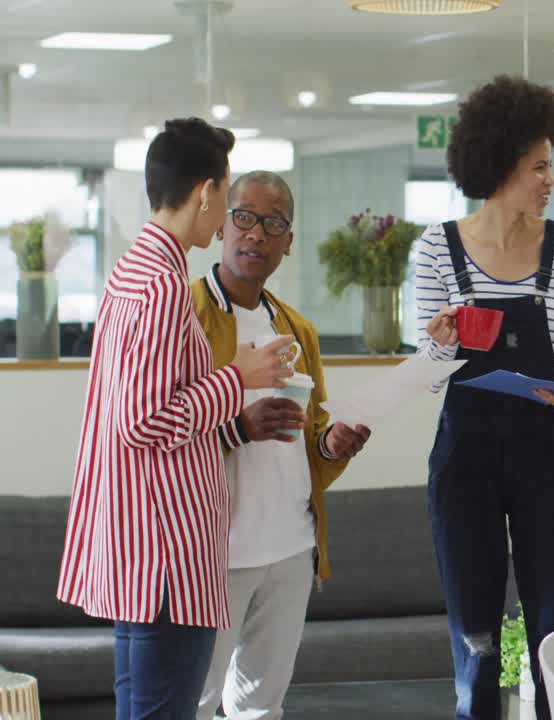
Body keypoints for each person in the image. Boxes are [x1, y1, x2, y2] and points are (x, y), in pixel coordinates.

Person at [56, 119, 294, 720]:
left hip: (135, 545)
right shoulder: (164, 285)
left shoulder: (131, 270)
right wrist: (238, 377)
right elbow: (144, 421)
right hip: (168, 548)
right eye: (227, 196)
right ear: (206, 192)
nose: (227, 220)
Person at [414, 75, 554, 720]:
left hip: (546, 455)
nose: (550, 179)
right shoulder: (437, 248)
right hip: (464, 461)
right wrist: (440, 345)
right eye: (539, 166)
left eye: (550, 165)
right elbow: (429, 375)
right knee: (477, 639)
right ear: (501, 163)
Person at [193, 171, 372, 720]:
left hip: (292, 549)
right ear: (221, 225)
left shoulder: (297, 330)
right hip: (215, 554)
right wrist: (238, 424)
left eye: (273, 224)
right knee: (192, 703)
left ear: (289, 241)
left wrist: (333, 445)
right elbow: (165, 434)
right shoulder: (187, 316)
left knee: (261, 708)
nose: (256, 234)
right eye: (244, 217)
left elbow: (309, 443)